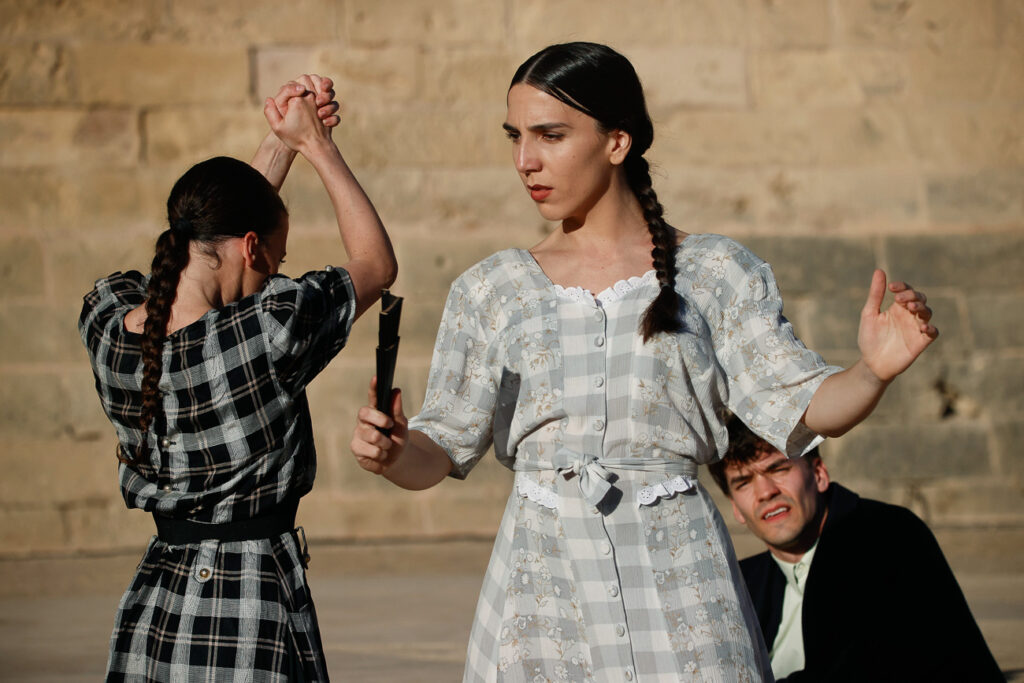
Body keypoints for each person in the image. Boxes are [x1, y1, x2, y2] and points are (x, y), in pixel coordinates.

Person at [350, 42, 937, 681]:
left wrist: (873, 370)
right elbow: (438, 451)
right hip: (544, 591)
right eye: (515, 136)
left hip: (681, 582)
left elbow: (805, 405)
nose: (525, 160)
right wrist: (394, 452)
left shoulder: (715, 272)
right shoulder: (493, 290)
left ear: (617, 142)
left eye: (551, 135)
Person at [79, 75, 396, 682]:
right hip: (249, 603)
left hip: (159, 597)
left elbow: (203, 259)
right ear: (252, 247)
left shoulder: (109, 328)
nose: (276, 271)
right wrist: (318, 147)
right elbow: (376, 265)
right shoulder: (267, 332)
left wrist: (279, 143)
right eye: (275, 255)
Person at [708, 415, 1003, 682]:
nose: (765, 492)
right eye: (744, 482)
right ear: (736, 509)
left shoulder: (887, 537)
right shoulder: (743, 582)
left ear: (819, 474)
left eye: (778, 468)